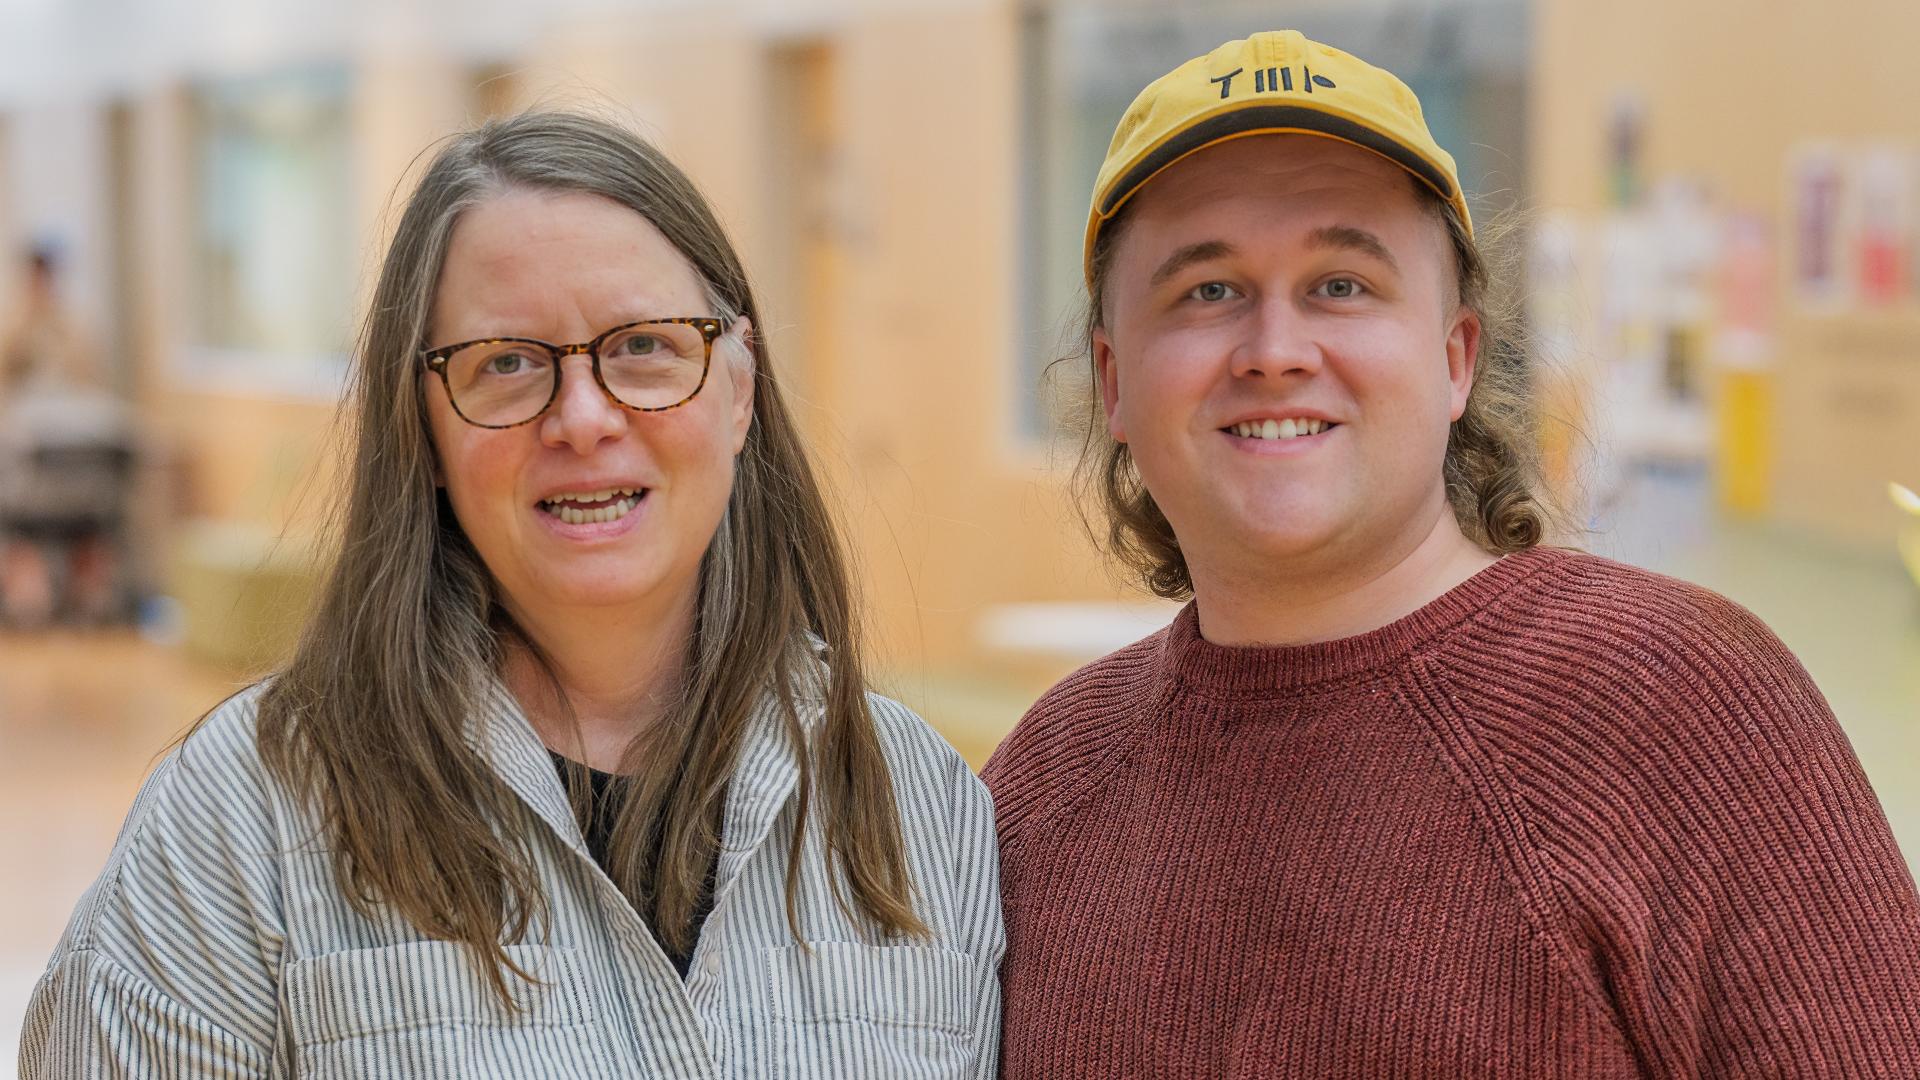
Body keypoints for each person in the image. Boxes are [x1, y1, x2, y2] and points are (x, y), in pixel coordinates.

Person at [984, 30, 1920, 1078]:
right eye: (1208, 290)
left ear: (1456, 357)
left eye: (1342, 284)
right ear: (1114, 382)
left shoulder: (1679, 711)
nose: (1276, 350)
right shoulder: (1040, 789)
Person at [23, 112, 1002, 1079]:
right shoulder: (241, 824)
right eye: (506, 363)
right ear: (422, 427)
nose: (584, 418)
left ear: (738, 389)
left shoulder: (923, 808)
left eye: (644, 346)